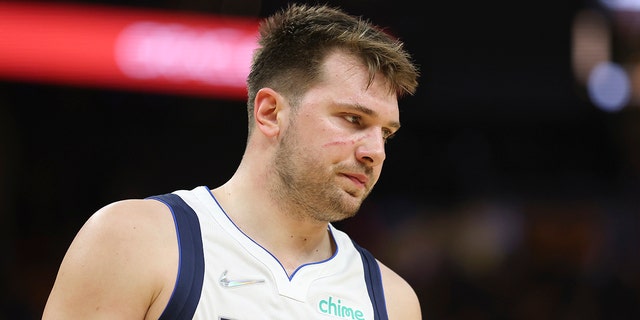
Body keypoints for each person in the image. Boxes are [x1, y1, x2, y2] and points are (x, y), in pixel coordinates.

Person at [42, 3, 421, 319]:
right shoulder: (135, 240)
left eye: (386, 132)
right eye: (353, 119)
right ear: (271, 112)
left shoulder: (392, 301)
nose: (376, 151)